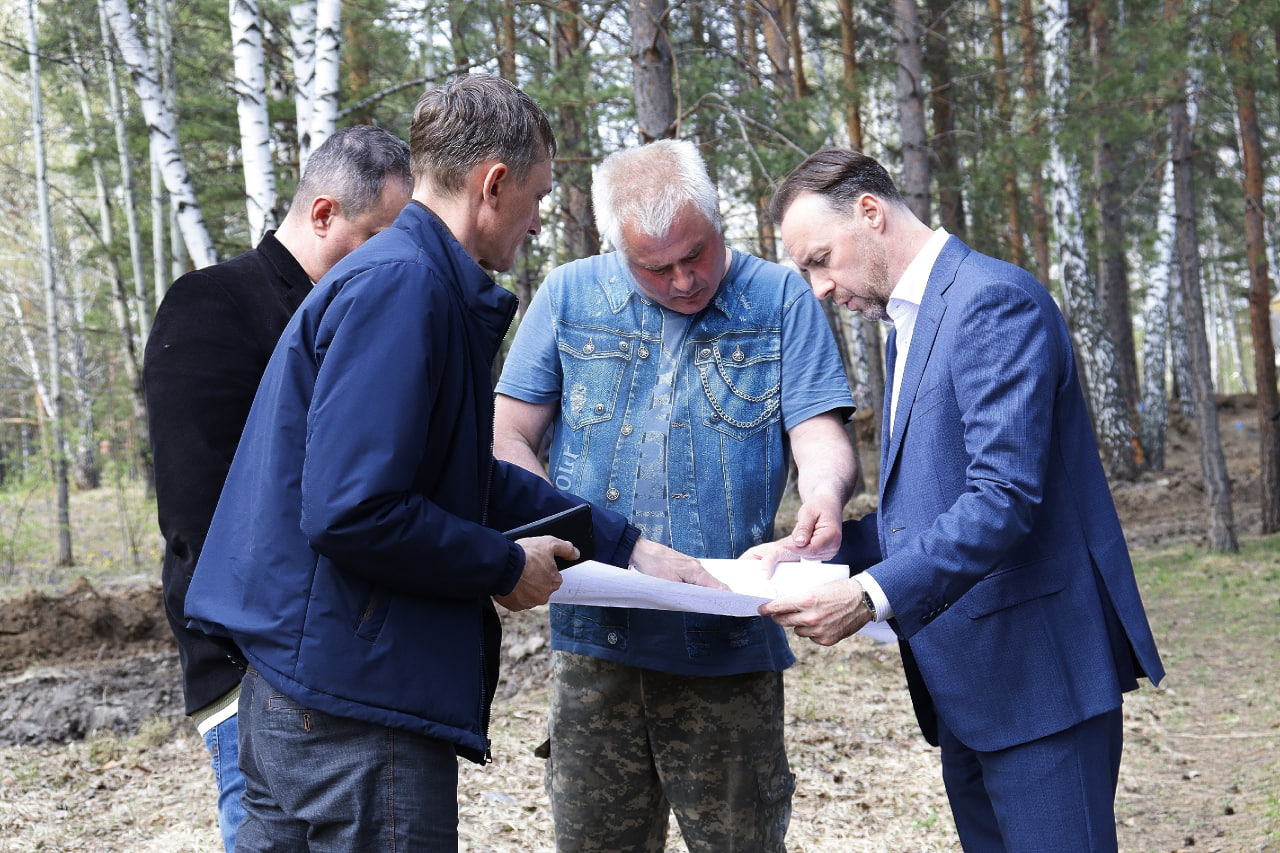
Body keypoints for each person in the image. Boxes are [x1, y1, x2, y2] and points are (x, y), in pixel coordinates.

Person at [182, 74, 717, 851]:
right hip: (354, 713)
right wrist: (501, 564)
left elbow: (459, 478)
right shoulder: (406, 288)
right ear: (492, 184)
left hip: (315, 687)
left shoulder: (412, 279)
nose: (538, 223)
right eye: (536, 198)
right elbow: (352, 508)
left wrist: (625, 544)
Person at [758, 148, 1165, 851]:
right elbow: (932, 501)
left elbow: (1003, 497)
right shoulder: (907, 323)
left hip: (1041, 686)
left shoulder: (991, 300)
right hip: (971, 692)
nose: (819, 288)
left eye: (820, 259)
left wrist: (868, 594)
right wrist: (834, 546)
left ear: (870, 212)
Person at [493, 138, 859, 852]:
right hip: (595, 647)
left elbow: (819, 432)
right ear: (615, 248)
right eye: (655, 267)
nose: (685, 280)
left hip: (729, 653)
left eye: (697, 253)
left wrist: (825, 489)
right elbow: (506, 437)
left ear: (720, 221)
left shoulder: (780, 297)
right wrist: (563, 531)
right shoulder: (568, 295)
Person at [144, 124, 413, 852]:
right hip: (255, 679)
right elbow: (199, 518)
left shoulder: (356, 317)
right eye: (375, 238)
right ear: (322, 213)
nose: (390, 264)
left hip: (341, 677)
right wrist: (257, 678)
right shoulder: (211, 309)